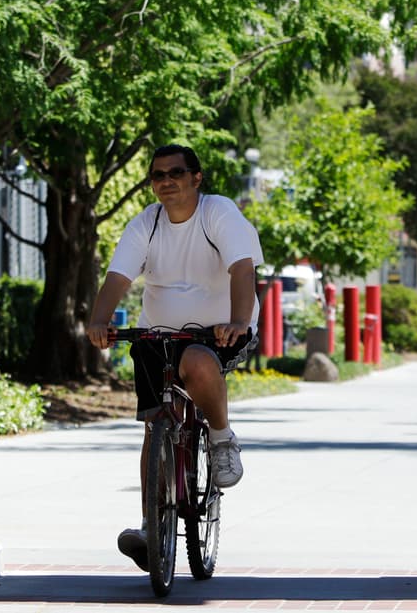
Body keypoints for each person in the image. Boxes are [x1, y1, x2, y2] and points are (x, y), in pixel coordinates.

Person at [87, 144, 263, 571]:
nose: (166, 181)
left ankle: (221, 438)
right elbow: (117, 277)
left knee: (198, 365)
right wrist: (98, 321)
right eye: (158, 175)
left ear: (196, 178)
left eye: (176, 173)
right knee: (155, 423)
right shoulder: (145, 224)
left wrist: (239, 320)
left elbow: (242, 269)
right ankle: (152, 527)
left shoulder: (217, 213)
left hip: (216, 331)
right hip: (157, 334)